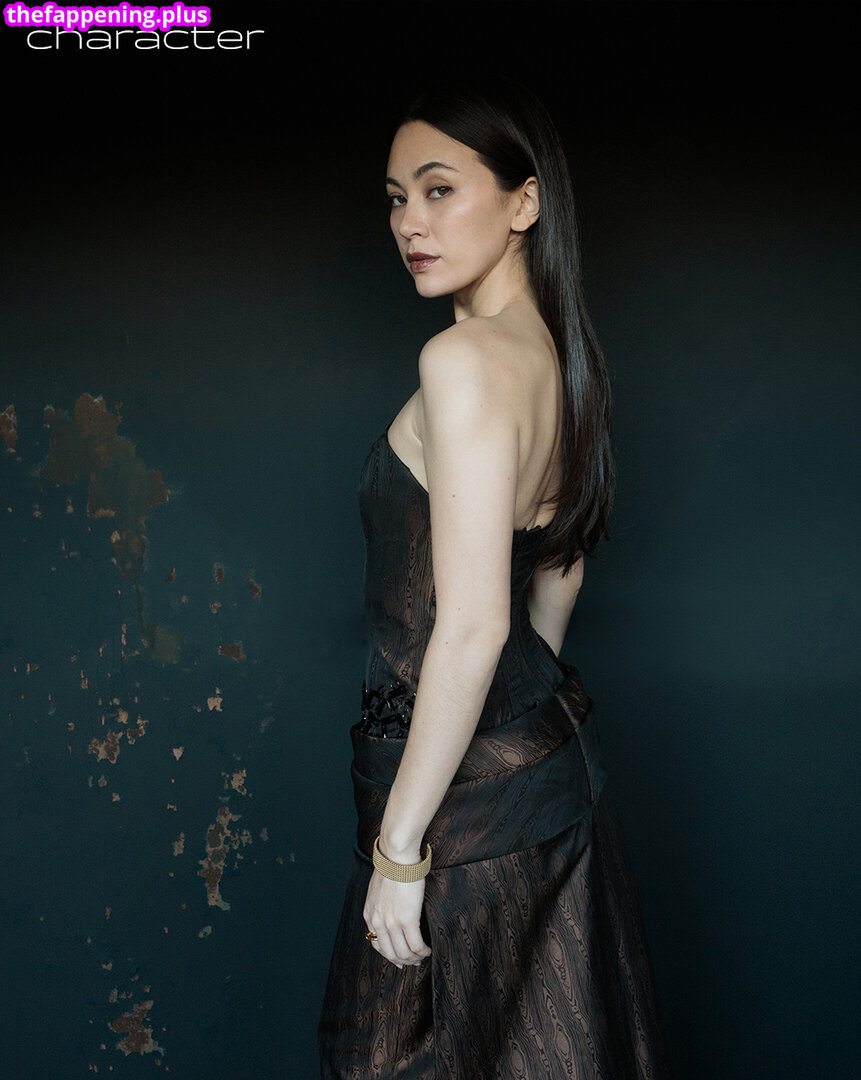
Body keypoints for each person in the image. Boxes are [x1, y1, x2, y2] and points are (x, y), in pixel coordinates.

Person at [318, 77, 673, 1079]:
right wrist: (521, 725)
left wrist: (399, 852)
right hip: (539, 768)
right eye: (396, 198)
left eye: (440, 190)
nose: (409, 223)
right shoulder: (562, 359)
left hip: (457, 807)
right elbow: (558, 572)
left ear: (524, 204)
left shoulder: (464, 360)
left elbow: (474, 628)